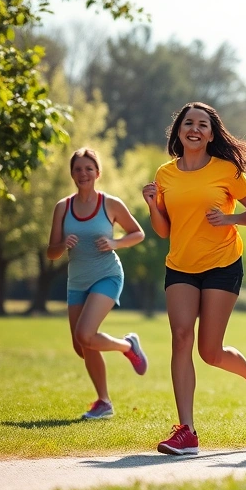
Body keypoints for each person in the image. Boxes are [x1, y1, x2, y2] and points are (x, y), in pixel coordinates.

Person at [142, 102, 246, 456]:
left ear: (212, 134)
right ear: (179, 132)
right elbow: (162, 230)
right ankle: (186, 431)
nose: (195, 129)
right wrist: (153, 206)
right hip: (181, 265)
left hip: (222, 263)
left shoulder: (227, 170)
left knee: (210, 351)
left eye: (203, 125)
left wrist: (229, 220)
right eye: (189, 123)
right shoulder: (165, 174)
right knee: (181, 337)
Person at [47, 147, 147, 420]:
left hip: (107, 275)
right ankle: (104, 402)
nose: (83, 174)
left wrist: (115, 243)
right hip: (77, 280)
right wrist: (62, 245)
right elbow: (51, 252)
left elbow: (138, 233)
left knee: (85, 334)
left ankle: (128, 348)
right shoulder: (62, 207)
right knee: (82, 346)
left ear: (97, 173)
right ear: (72, 174)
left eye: (88, 169)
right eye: (78, 169)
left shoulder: (110, 204)